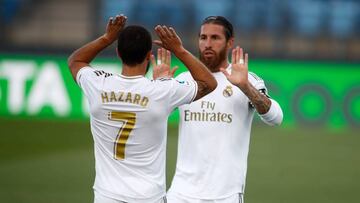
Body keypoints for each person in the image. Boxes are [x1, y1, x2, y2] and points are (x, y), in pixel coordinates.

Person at [67, 14, 217, 203]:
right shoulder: (162, 91)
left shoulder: (98, 84)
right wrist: (179, 50)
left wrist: (107, 38)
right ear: (148, 55)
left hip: (107, 195)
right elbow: (209, 83)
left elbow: (75, 61)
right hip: (148, 197)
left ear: (118, 53)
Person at [166, 16, 283, 202]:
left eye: (215, 38)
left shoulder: (247, 80)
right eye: (203, 37)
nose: (208, 44)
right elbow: (151, 118)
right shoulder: (184, 79)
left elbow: (276, 118)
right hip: (180, 194)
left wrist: (245, 88)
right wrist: (159, 86)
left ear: (230, 42)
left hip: (225, 195)